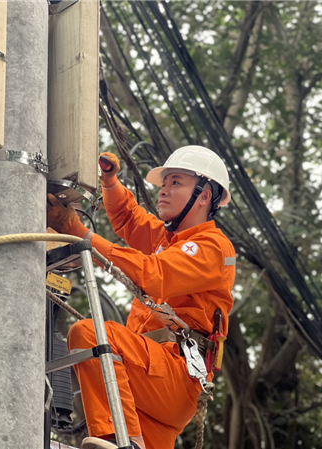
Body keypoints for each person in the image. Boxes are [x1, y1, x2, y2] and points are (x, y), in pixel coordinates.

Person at [46, 145, 236, 449]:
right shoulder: (167, 240)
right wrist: (110, 183)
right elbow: (128, 218)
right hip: (145, 379)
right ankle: (130, 442)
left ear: (204, 195)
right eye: (163, 184)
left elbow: (155, 275)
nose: (163, 191)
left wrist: (82, 234)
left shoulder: (213, 247)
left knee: (91, 335)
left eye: (176, 183)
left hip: (174, 374)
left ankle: (120, 441)